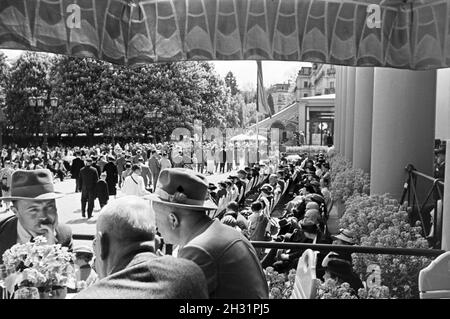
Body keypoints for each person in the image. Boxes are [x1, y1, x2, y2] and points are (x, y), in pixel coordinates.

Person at [148, 168, 269, 299]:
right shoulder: (224, 233)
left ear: (173, 219)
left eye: (156, 218)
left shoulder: (198, 250)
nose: (156, 226)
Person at [74, 196, 209, 299]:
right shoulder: (191, 275)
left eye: (95, 243)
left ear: (102, 244)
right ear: (156, 243)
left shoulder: (91, 296)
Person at [0, 169, 73, 263]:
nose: (43, 215)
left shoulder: (63, 234)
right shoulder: (2, 232)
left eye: (50, 207)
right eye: (33, 209)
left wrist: (51, 250)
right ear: (15, 211)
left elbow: (69, 274)